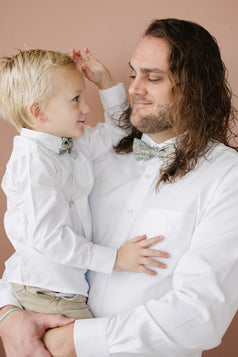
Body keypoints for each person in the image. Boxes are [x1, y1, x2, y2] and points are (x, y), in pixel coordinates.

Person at [1, 17, 238, 357]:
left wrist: (73, 341)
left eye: (152, 78)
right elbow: (35, 239)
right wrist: (7, 314)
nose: (134, 89)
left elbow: (201, 313)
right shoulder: (87, 153)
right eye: (133, 74)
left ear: (193, 87)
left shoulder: (227, 177)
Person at [0, 48, 169, 323]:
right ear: (39, 112)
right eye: (76, 99)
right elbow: (50, 239)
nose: (87, 108)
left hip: (64, 290)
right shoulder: (33, 162)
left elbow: (120, 132)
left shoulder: (70, 144)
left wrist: (105, 83)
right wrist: (115, 259)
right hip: (49, 294)